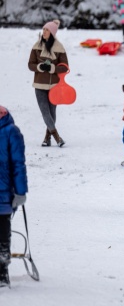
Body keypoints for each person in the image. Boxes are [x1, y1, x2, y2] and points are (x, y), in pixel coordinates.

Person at [28, 19, 69, 147]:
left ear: (52, 33)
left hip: (54, 86)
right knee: (45, 112)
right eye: (43, 29)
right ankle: (57, 137)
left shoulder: (59, 48)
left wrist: (52, 68)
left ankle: (47, 138)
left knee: (52, 113)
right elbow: (30, 65)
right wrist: (40, 67)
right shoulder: (36, 47)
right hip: (39, 85)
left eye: (47, 30)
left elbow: (65, 67)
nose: (44, 32)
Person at [0, 105, 28, 288]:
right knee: (2, 232)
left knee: (2, 232)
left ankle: (2, 272)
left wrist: (20, 192)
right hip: (5, 195)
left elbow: (18, 164)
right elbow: (19, 164)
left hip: (4, 195)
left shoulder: (11, 132)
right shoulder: (12, 131)